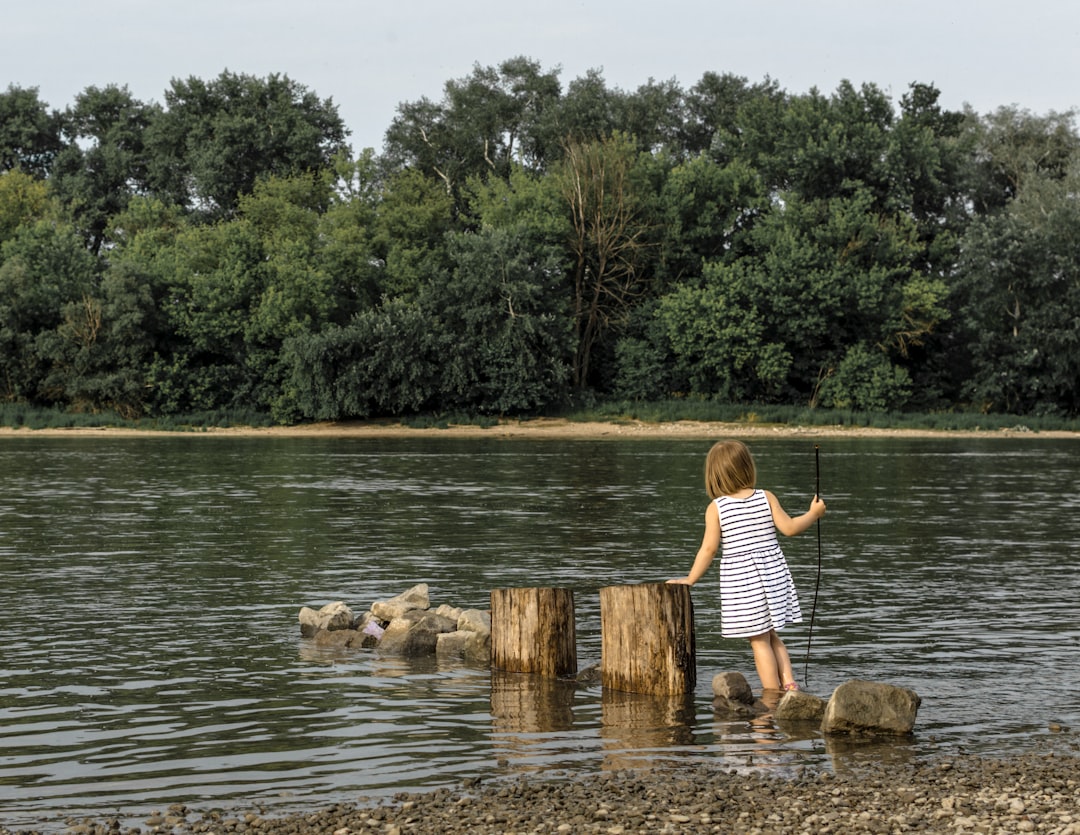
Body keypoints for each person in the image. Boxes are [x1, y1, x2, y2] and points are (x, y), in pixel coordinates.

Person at [668, 440, 826, 693]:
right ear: (747, 468)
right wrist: (813, 514)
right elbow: (790, 528)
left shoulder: (717, 508)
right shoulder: (766, 496)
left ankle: (772, 694)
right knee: (772, 635)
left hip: (744, 581)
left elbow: (708, 549)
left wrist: (691, 579)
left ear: (714, 475)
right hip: (773, 575)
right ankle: (790, 684)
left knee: (758, 641)